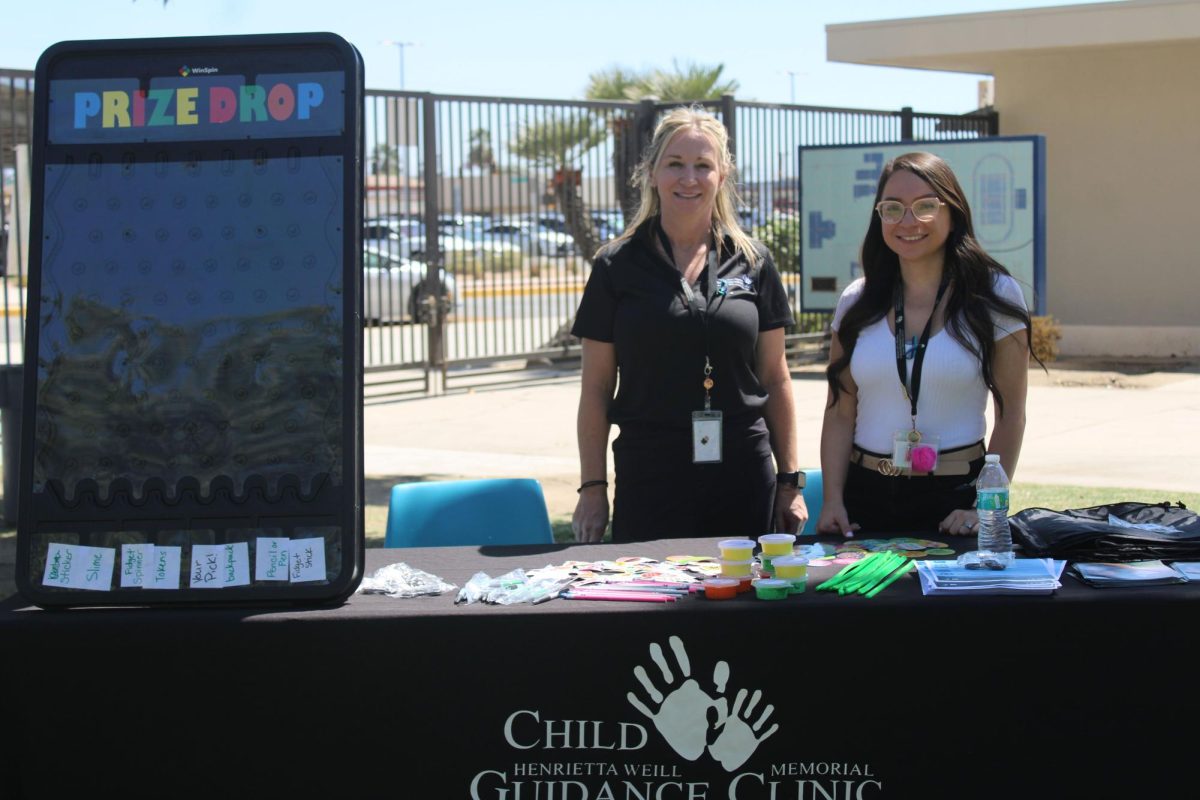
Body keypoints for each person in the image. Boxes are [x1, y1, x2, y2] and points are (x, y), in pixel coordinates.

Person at [570, 106, 807, 543]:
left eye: (703, 166)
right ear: (652, 173)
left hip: (743, 473)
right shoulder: (615, 265)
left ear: (722, 175)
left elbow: (776, 377)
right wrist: (593, 488)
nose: (689, 178)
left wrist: (790, 482)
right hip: (649, 473)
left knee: (744, 602)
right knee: (650, 601)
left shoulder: (753, 261)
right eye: (675, 164)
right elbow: (596, 388)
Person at [817, 151, 1035, 538]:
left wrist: (981, 504)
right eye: (893, 208)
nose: (908, 221)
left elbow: (1011, 414)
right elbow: (838, 411)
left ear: (953, 215)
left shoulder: (994, 295)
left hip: (955, 500)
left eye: (925, 206)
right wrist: (833, 499)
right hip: (865, 498)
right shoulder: (856, 301)